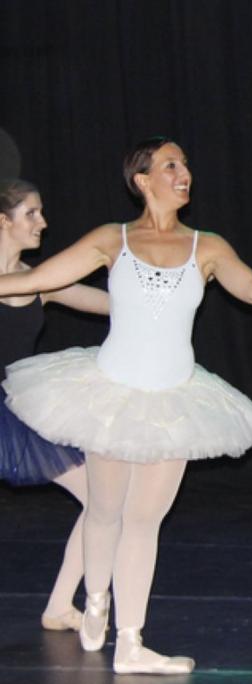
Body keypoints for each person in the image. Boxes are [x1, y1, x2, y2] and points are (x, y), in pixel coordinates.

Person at [0, 138, 252, 673]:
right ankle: (95, 602)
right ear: (143, 180)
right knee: (103, 510)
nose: (184, 172)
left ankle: (130, 644)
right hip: (111, 393)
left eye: (186, 164)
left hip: (174, 399)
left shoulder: (207, 247)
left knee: (144, 522)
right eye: (171, 164)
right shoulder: (111, 239)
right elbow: (35, 279)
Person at [0, 178, 109, 632]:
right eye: (31, 213)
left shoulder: (40, 281)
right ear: (2, 221)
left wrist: (165, 291)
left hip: (16, 412)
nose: (42, 222)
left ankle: (60, 606)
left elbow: (113, 304)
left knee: (102, 499)